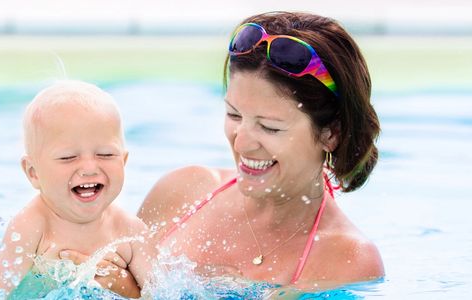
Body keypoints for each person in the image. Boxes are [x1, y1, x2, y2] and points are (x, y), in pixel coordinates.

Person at [136, 11, 384, 290]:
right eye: (234, 115)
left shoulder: (346, 260)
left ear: (331, 134)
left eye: (269, 127)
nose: (241, 144)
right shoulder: (182, 192)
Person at [0, 80, 154, 299]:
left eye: (105, 154)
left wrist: (123, 286)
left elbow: (161, 294)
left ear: (124, 161)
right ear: (33, 172)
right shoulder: (32, 226)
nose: (90, 168)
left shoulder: (131, 232)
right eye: (68, 157)